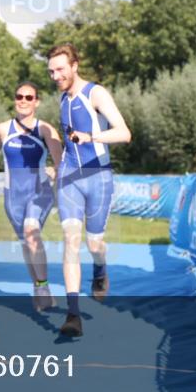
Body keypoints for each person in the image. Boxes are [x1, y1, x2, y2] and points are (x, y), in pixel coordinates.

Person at [47, 43, 131, 337]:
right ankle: (73, 315)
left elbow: (124, 132)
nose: (56, 75)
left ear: (74, 65)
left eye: (60, 69)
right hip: (70, 178)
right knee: (71, 239)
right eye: (51, 71)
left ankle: (100, 269)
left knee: (94, 244)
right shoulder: (62, 99)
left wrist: (91, 136)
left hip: (99, 177)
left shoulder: (95, 93)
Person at [0, 81, 63, 311]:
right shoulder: (3, 129)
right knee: (26, 243)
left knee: (31, 231)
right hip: (13, 197)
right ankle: (40, 289)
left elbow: (61, 164)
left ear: (37, 102)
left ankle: (42, 287)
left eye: (28, 97)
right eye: (19, 96)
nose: (23, 100)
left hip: (39, 191)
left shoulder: (45, 130)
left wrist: (63, 194)